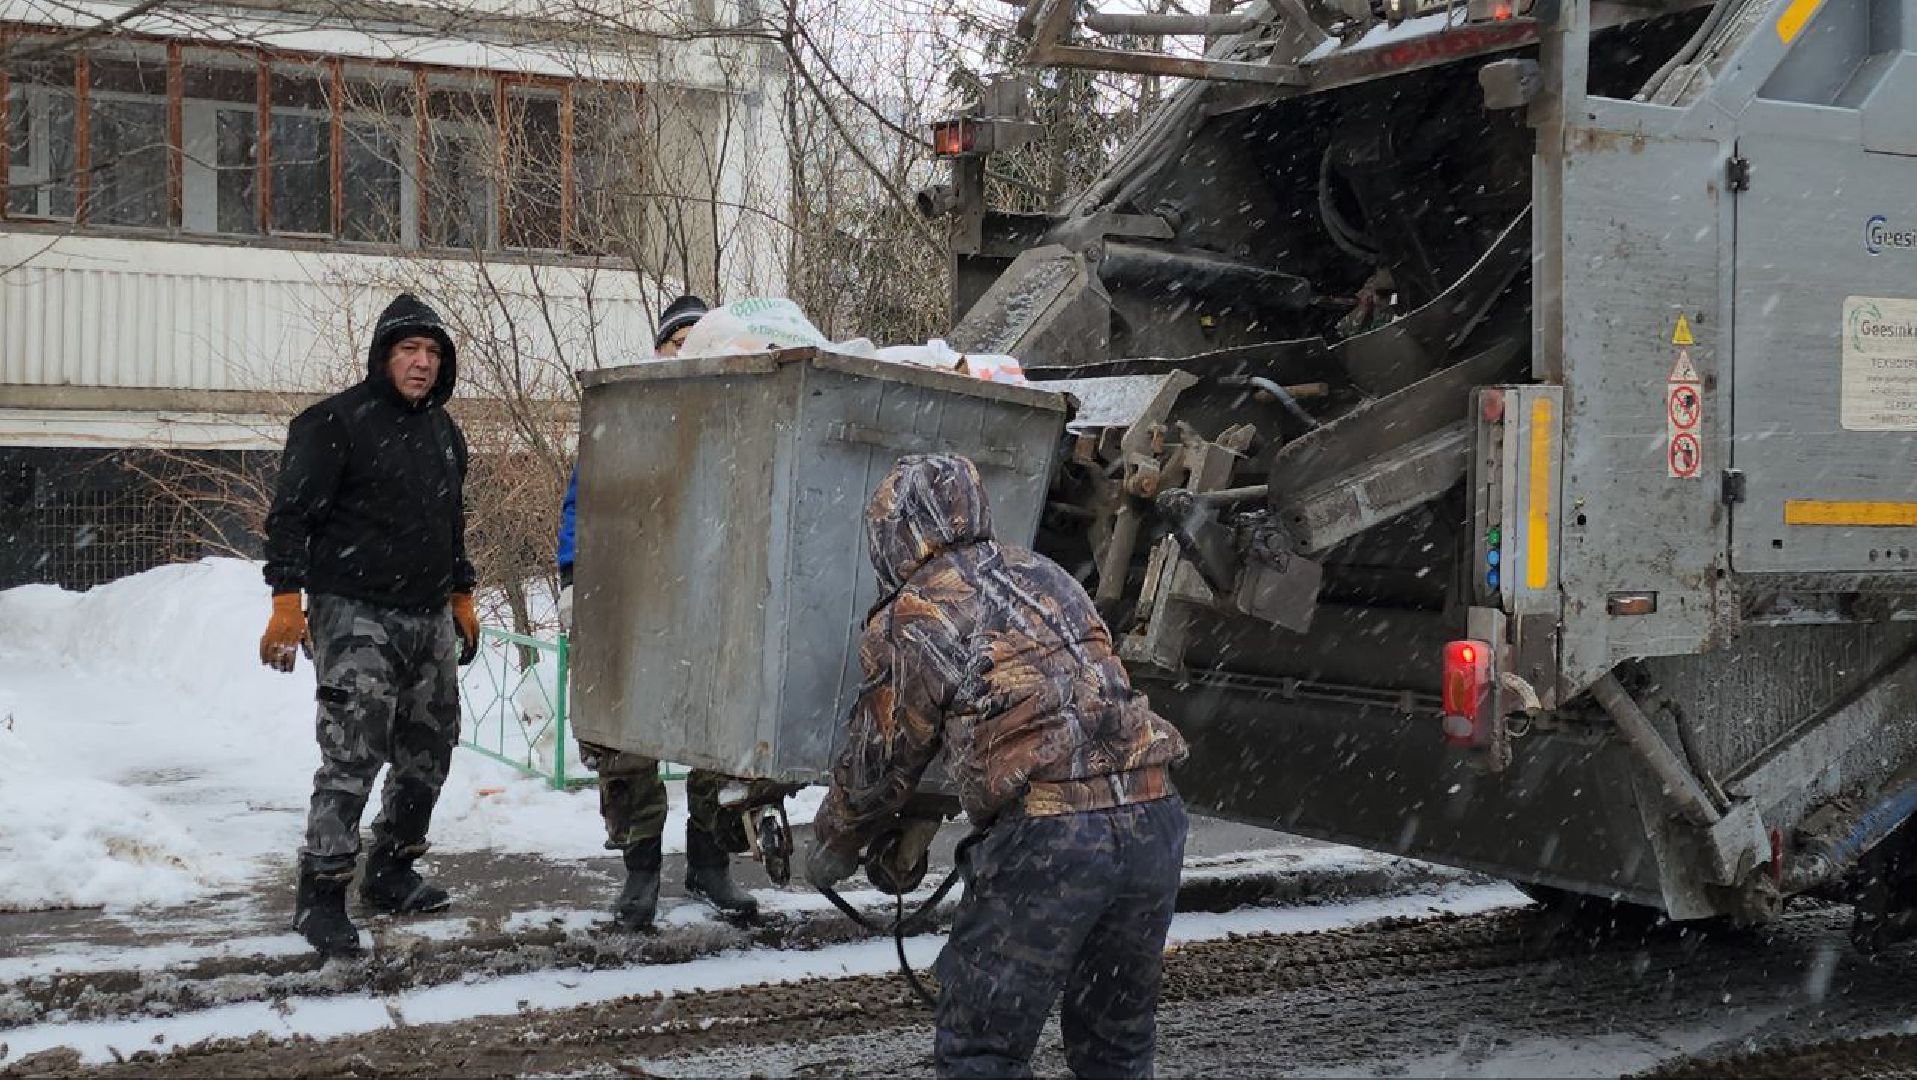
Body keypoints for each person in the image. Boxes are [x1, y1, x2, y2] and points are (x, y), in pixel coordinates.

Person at [806, 454, 1191, 1079]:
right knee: (1113, 1046)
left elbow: (883, 759)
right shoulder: (1045, 574)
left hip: (1054, 836)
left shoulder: (917, 610)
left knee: (981, 1052)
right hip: (1154, 816)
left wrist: (835, 838)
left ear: (894, 531)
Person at [259, 293, 481, 958]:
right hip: (353, 609)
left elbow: (450, 521)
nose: (421, 362)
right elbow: (290, 517)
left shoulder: (445, 432)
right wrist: (285, 598)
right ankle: (322, 894)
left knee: (428, 752)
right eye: (409, 350)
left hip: (427, 613)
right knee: (352, 753)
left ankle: (391, 870)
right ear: (383, 356)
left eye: (432, 352)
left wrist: (462, 592)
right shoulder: (333, 423)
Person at [558, 294, 760, 931]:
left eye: (697, 341)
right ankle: (640, 872)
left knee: (719, 740)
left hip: (714, 605)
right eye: (676, 342)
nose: (686, 352)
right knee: (631, 744)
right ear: (660, 350)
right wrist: (572, 577)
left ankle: (710, 864)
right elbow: (584, 501)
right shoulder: (631, 415)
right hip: (642, 600)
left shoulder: (742, 418)